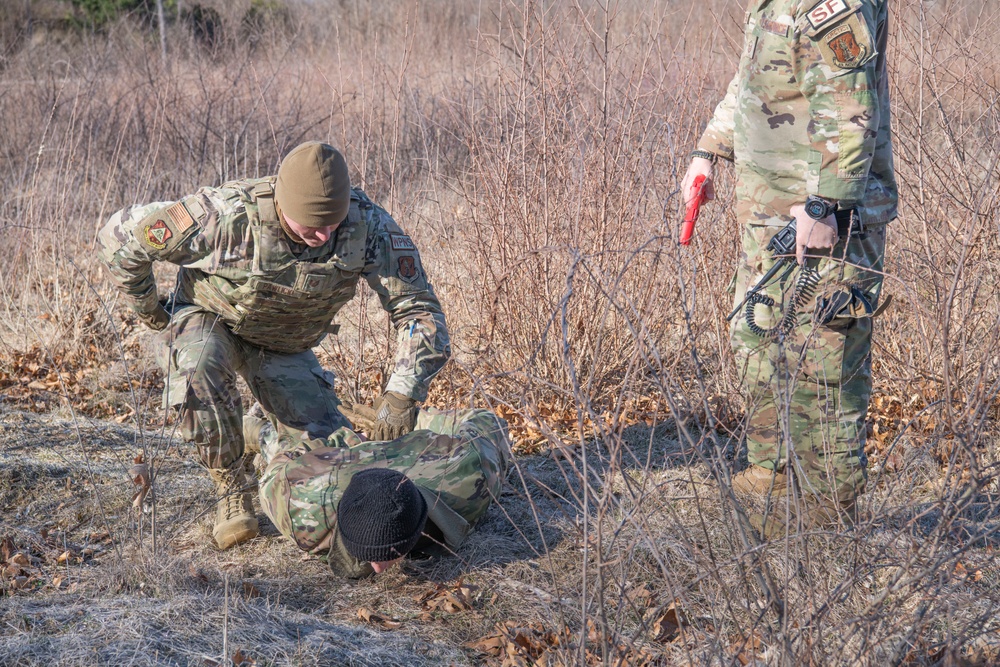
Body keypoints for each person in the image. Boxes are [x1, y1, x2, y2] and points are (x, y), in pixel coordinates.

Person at [98, 142, 450, 549]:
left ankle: (257, 431)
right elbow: (118, 238)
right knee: (196, 371)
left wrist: (403, 391)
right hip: (212, 320)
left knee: (323, 458)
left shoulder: (367, 226)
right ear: (283, 205)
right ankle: (230, 486)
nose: (323, 235)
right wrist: (151, 310)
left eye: (331, 223)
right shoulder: (224, 216)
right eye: (310, 224)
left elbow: (418, 309)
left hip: (285, 344)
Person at [681, 0, 896, 536]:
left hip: (822, 224)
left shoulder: (832, 7)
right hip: (768, 218)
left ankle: (826, 516)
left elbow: (852, 112)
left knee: (822, 363)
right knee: (755, 341)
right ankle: (770, 478)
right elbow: (754, 83)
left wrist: (829, 204)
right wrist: (710, 151)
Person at [244, 407, 510, 578]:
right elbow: (279, 467)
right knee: (285, 441)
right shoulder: (301, 508)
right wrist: (341, 443)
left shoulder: (466, 480)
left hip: (417, 451)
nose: (378, 569)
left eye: (390, 554)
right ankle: (253, 427)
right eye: (369, 555)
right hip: (336, 464)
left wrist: (413, 416)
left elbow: (487, 421)